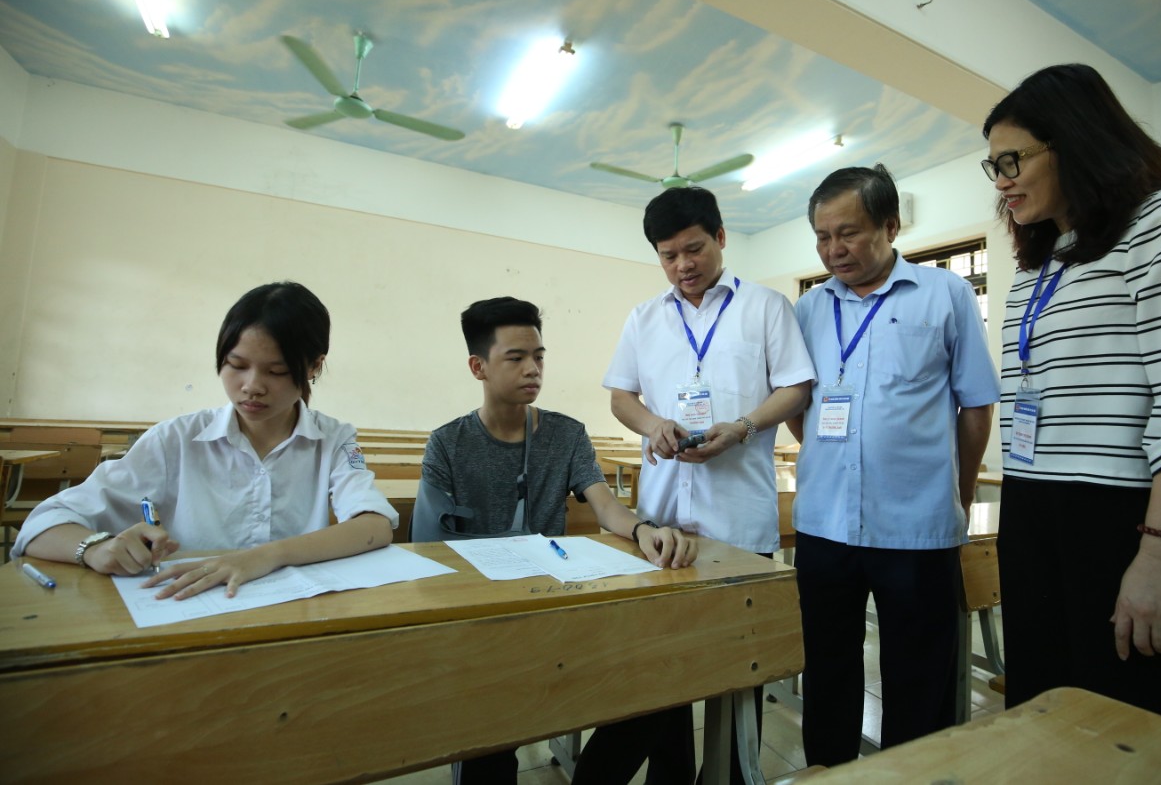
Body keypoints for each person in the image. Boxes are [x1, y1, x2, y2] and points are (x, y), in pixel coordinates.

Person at [982, 63, 1161, 725]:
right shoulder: (1042, 260)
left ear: (1077, 141)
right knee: (1041, 716)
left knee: (1128, 726)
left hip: (1129, 519)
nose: (1001, 180)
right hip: (1035, 506)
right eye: (991, 164)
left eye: (1012, 159)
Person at [578, 186, 814, 785]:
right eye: (668, 255)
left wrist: (740, 428)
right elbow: (621, 396)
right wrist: (654, 423)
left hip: (739, 520)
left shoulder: (764, 307)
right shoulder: (645, 317)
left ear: (721, 238)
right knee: (662, 672)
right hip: (661, 528)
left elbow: (795, 388)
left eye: (694, 248)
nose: (683, 265)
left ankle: (733, 776)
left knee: (738, 672)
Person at [417, 296, 697, 785]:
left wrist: (643, 530)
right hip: (484, 625)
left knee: (657, 692)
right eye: (516, 357)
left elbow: (605, 504)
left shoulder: (566, 435)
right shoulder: (448, 444)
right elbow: (432, 549)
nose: (533, 369)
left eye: (539, 357)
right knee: (489, 745)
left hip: (557, 609)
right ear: (477, 366)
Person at [784, 165, 1000, 763]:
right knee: (827, 664)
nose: (833, 250)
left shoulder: (944, 294)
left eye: (847, 233)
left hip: (916, 526)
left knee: (918, 671)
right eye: (822, 237)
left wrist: (956, 495)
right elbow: (799, 407)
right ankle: (828, 771)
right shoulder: (808, 310)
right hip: (824, 524)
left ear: (890, 224)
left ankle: (914, 774)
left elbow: (975, 406)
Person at [14, 281, 398, 599]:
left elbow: (374, 526)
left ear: (313, 366)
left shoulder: (334, 438)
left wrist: (264, 557)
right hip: (188, 612)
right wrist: (95, 549)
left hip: (290, 612)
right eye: (236, 365)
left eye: (276, 371)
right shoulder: (176, 439)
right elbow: (43, 524)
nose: (252, 387)